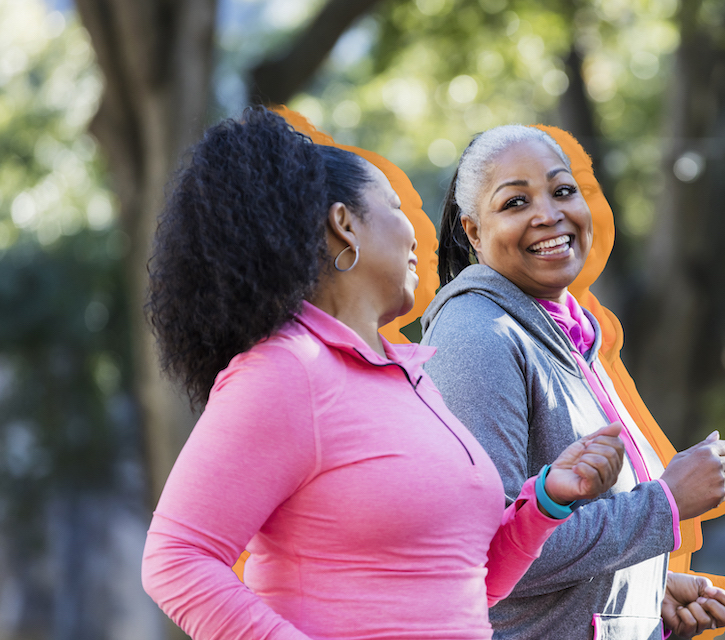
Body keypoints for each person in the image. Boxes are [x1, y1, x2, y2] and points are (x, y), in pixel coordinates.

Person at [139, 107, 627, 640]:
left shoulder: (409, 379)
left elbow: (464, 582)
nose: (417, 233)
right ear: (344, 225)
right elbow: (177, 558)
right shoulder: (285, 371)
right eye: (395, 207)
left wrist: (548, 499)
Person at [421, 124, 725, 640]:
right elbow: (493, 554)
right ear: (472, 232)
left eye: (562, 191)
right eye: (515, 203)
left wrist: (641, 592)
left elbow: (561, 539)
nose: (548, 215)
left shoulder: (566, 333)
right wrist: (665, 503)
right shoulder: (479, 336)